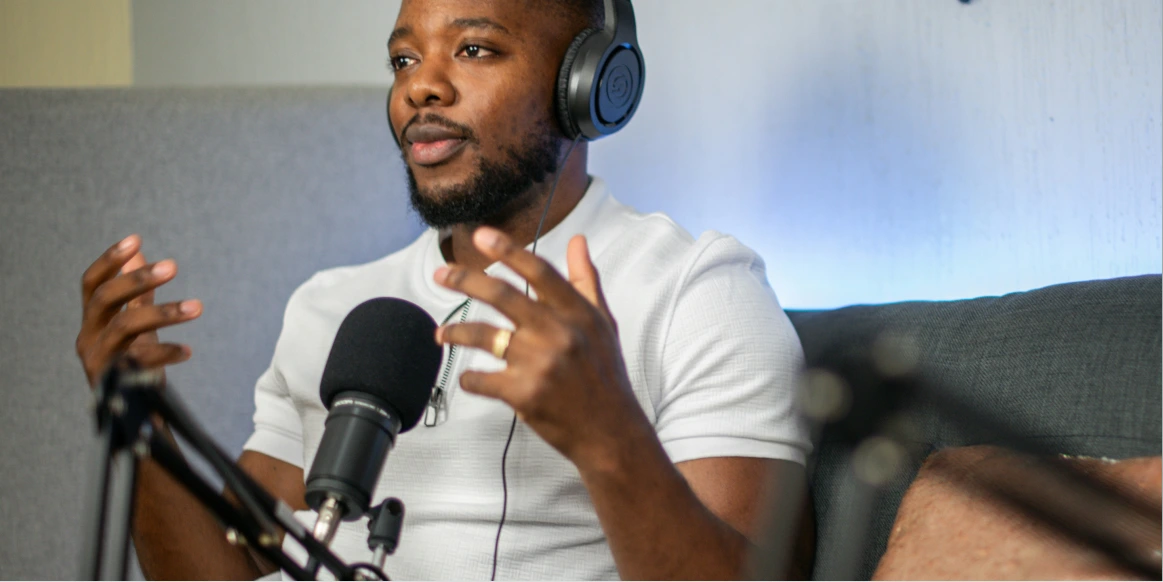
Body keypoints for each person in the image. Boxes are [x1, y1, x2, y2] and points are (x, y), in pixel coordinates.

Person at [74, 0, 812, 579]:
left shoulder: (697, 289)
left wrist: (607, 436)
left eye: (473, 48)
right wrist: (144, 424)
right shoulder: (334, 306)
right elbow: (231, 573)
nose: (419, 85)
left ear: (587, 85)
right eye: (402, 58)